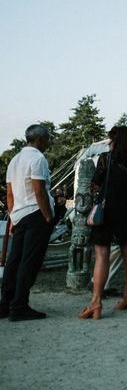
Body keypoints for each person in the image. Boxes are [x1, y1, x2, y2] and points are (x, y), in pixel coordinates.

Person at [79, 126, 127, 320]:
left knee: (102, 254)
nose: (109, 143)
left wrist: (96, 187)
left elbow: (96, 184)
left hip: (106, 210)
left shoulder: (106, 159)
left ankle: (96, 301)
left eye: (111, 140)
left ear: (116, 141)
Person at [0, 124, 55, 321]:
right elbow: (39, 190)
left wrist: (13, 216)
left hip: (20, 214)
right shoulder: (37, 158)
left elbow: (10, 193)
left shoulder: (14, 160)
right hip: (36, 213)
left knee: (14, 260)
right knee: (30, 261)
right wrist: (48, 216)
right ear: (39, 139)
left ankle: (5, 303)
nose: (49, 142)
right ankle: (20, 305)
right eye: (47, 139)